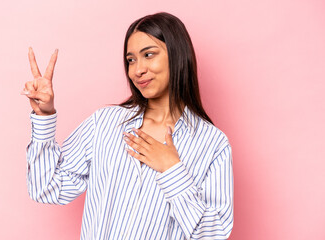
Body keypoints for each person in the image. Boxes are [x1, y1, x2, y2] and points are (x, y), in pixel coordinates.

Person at [22, 12, 233, 240]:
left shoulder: (213, 144)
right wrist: (43, 116)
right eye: (131, 60)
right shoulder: (104, 123)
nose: (137, 70)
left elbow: (214, 234)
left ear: (177, 55)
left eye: (148, 55)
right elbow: (46, 188)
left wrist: (171, 169)